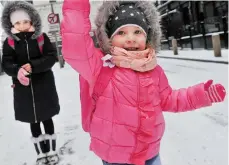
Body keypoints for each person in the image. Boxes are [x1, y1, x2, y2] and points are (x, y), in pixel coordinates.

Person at [61, 1, 226, 165]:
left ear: (148, 35)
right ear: (108, 37)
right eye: (121, 33)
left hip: (150, 154)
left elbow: (169, 99)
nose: (130, 39)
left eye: (137, 31)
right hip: (116, 158)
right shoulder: (99, 67)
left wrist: (201, 95)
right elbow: (76, 46)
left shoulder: (153, 70)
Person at [1, 1, 60, 164]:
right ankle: (41, 152)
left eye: (25, 22)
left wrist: (33, 65)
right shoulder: (10, 42)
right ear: (12, 24)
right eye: (18, 23)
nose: (22, 26)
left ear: (32, 21)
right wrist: (17, 70)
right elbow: (6, 63)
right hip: (23, 89)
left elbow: (51, 57)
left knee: (47, 118)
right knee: (32, 120)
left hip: (44, 86)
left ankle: (52, 150)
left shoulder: (41, 38)